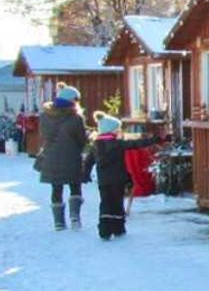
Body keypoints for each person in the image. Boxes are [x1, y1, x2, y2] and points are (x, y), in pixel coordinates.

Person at [82, 112, 164, 240]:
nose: (119, 131)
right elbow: (136, 144)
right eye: (117, 129)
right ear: (112, 130)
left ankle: (104, 229)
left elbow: (88, 162)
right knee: (117, 203)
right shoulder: (118, 144)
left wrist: (85, 174)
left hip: (103, 180)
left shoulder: (96, 146)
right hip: (118, 179)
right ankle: (118, 227)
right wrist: (155, 139)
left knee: (105, 202)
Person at [36, 82, 87, 231]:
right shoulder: (76, 118)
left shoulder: (45, 116)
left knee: (56, 188)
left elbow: (44, 135)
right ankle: (75, 217)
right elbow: (81, 139)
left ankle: (58, 222)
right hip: (71, 156)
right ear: (72, 100)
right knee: (75, 186)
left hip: (51, 156)